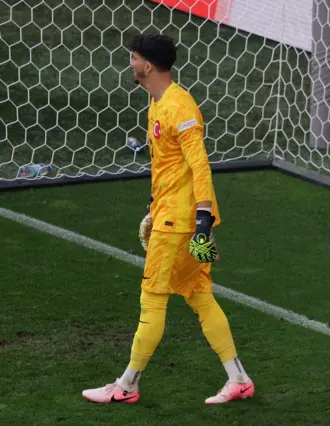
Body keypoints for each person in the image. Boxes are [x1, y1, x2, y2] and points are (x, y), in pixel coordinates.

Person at [82, 33, 254, 404]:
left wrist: (204, 218)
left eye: (134, 57)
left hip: (180, 222)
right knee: (199, 295)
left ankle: (126, 386)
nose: (130, 62)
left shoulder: (180, 107)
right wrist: (153, 203)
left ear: (147, 65)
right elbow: (168, 166)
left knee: (153, 299)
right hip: (170, 214)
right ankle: (238, 378)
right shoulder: (157, 103)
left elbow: (200, 164)